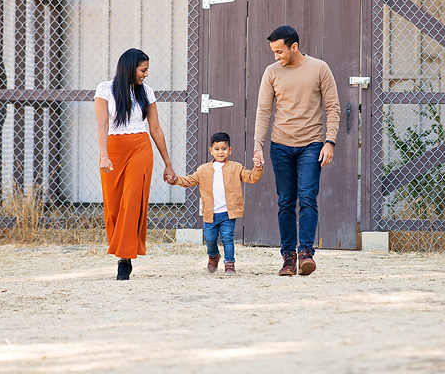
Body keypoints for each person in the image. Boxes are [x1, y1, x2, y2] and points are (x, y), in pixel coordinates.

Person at [253, 26, 340, 276]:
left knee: (308, 198)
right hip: (280, 146)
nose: (276, 56)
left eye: (279, 51)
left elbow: (332, 107)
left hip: (312, 145)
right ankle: (288, 257)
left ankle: (305, 254)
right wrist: (258, 146)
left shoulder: (319, 68)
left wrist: (329, 141)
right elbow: (264, 111)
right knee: (285, 202)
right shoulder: (271, 72)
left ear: (294, 46)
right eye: (273, 51)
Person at [95, 48, 176, 280]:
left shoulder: (146, 92)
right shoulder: (105, 89)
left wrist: (167, 164)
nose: (146, 74)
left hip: (140, 148)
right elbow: (102, 126)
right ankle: (121, 249)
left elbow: (156, 129)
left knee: (132, 201)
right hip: (113, 151)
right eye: (143, 70)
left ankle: (125, 258)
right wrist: (104, 156)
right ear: (130, 68)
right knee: (113, 205)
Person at [168, 132, 263, 274]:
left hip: (228, 213)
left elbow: (251, 177)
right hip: (210, 213)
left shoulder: (236, 167)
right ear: (211, 150)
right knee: (210, 238)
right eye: (217, 149)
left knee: (227, 238)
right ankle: (213, 256)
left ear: (230, 150)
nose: (220, 152)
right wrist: (175, 180)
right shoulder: (203, 169)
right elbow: (189, 180)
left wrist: (258, 168)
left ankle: (230, 264)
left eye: (224, 149)